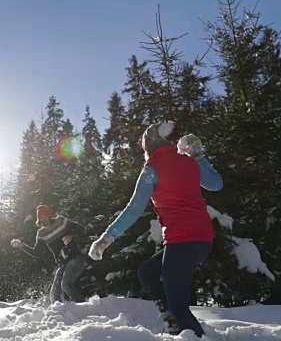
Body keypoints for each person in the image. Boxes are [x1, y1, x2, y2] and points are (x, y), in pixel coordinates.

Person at [88, 122, 223, 338]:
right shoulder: (188, 162)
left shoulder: (152, 169)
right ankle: (170, 318)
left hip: (181, 241)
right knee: (147, 272)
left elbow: (133, 209)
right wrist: (198, 156)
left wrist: (106, 239)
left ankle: (185, 327)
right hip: (202, 240)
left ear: (149, 146)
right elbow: (216, 184)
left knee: (181, 308)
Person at [10, 205, 88, 303]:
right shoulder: (41, 233)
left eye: (45, 216)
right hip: (63, 263)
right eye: (40, 217)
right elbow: (37, 253)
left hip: (76, 258)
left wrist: (71, 234)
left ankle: (83, 306)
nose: (43, 219)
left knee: (66, 285)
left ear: (50, 216)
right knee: (54, 295)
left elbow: (81, 228)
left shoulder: (61, 221)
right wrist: (22, 245)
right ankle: (61, 314)